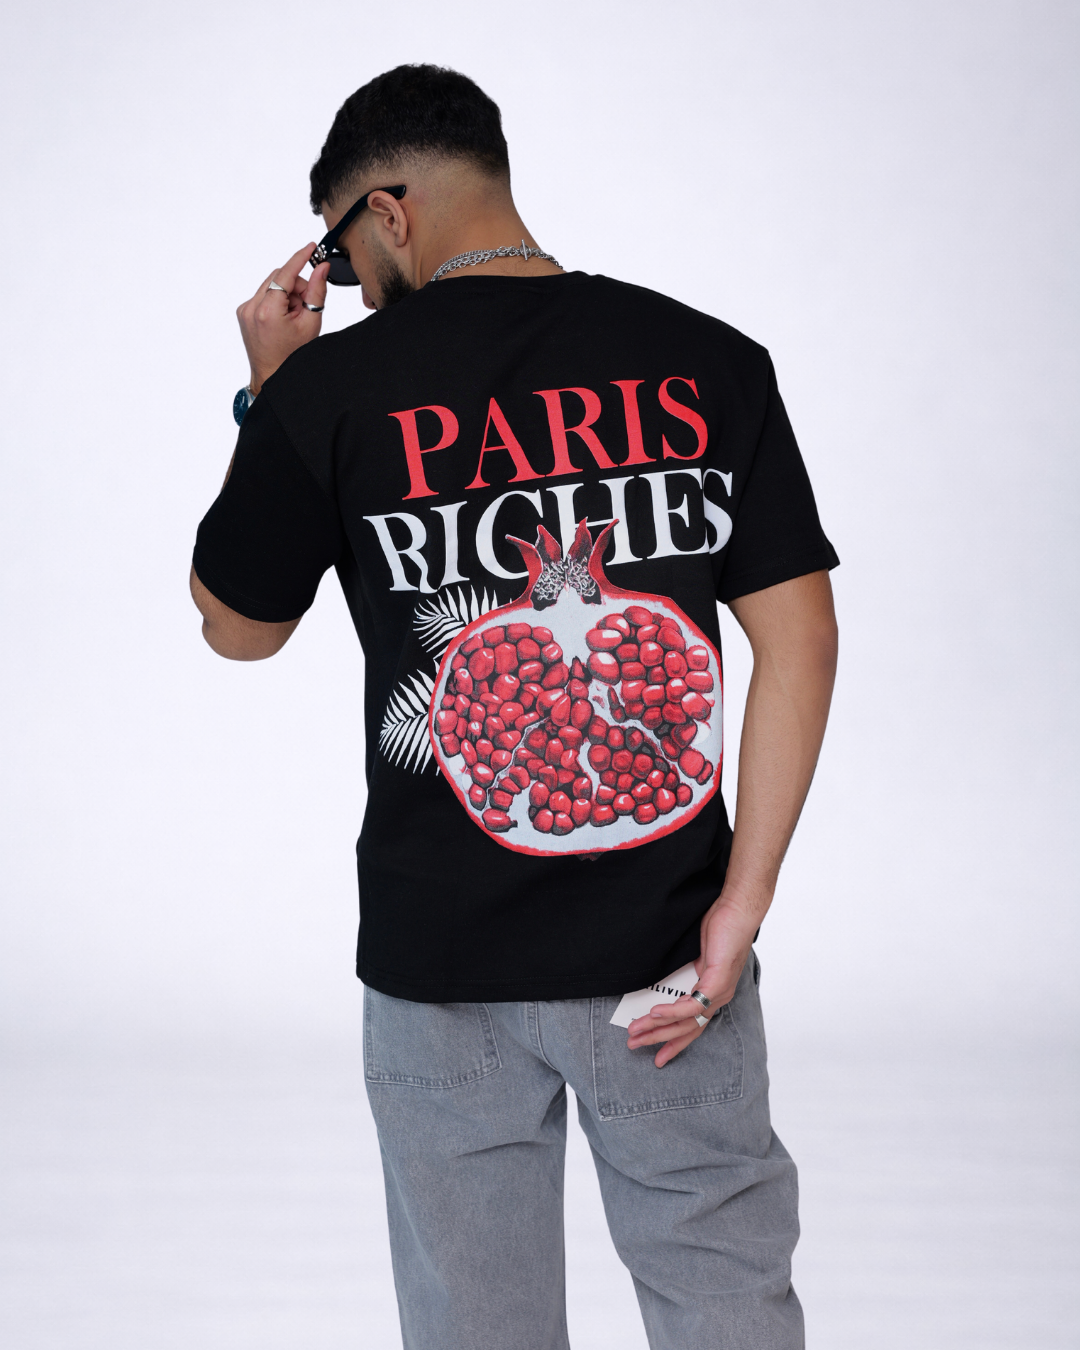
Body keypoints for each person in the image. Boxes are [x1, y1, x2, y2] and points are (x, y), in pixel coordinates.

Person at [190, 63, 838, 1350]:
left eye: (344, 253)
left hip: (441, 963)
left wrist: (270, 396)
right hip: (669, 955)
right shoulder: (710, 360)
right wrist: (741, 907)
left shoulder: (330, 392)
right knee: (724, 1293)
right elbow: (801, 638)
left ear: (387, 211)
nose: (352, 285)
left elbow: (237, 629)